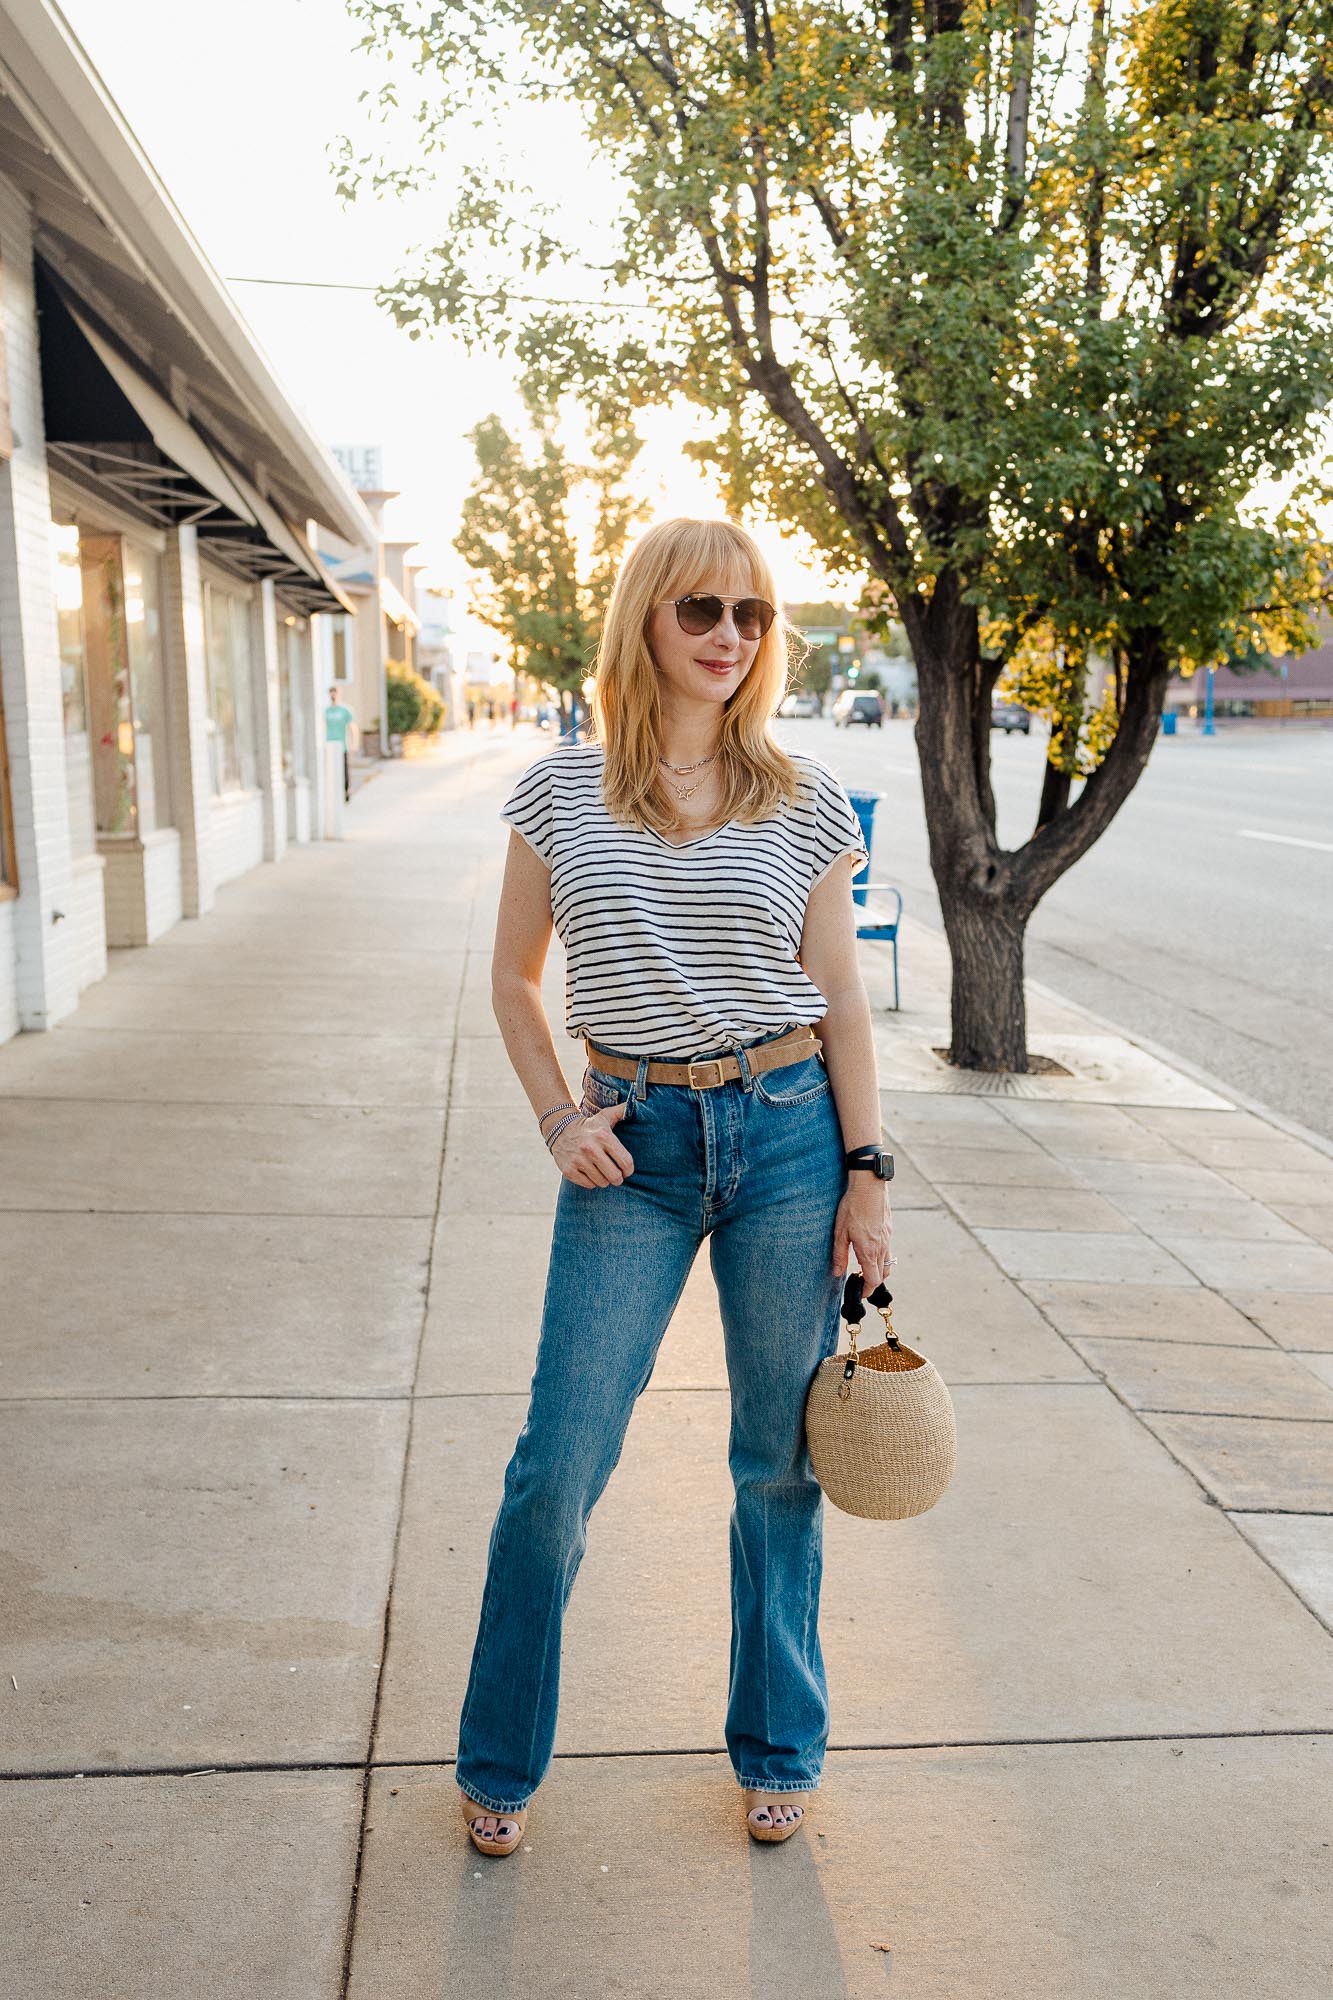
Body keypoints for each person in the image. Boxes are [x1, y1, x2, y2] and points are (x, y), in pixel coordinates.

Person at [456, 517, 893, 1859]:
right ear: (646, 618)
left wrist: (867, 1175)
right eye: (702, 608)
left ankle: (779, 1747)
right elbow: (514, 980)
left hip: (785, 1136)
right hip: (628, 1147)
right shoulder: (558, 794)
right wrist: (553, 1117)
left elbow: (842, 1007)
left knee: (776, 1464)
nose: (728, 635)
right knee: (558, 1467)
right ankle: (499, 1757)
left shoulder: (802, 796)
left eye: (754, 615)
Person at [324, 686, 356, 801]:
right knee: (330, 771)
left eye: (335, 693)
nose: (333, 696)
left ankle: (346, 792)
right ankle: (333, 793)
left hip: (342, 745)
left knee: (344, 771)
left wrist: (354, 743)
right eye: (331, 693)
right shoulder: (326, 711)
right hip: (329, 745)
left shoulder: (345, 710)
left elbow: (352, 727)